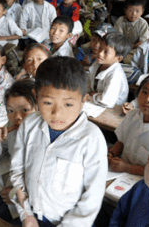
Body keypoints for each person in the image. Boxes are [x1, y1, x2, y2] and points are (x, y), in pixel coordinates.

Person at [10, 56, 108, 226]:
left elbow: (92, 197)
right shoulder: (29, 124)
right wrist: (25, 212)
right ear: (36, 96)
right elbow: (18, 170)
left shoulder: (92, 139)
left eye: (68, 105)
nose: (57, 113)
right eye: (47, 102)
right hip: (31, 216)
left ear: (83, 101)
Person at [0, 80, 37, 224]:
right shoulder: (10, 126)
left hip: (28, 195)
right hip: (6, 181)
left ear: (38, 109)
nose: (17, 117)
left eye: (25, 110)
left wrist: (15, 193)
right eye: (11, 111)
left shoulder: (43, 137)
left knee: (2, 217)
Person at [108, 72, 149, 176]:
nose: (148, 99)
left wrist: (128, 168)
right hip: (120, 173)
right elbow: (121, 141)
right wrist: (111, 153)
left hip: (143, 180)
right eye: (144, 92)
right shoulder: (131, 115)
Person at [88, 33, 132, 108]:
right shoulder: (97, 63)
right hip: (95, 102)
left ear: (118, 59)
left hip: (113, 110)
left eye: (106, 52)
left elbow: (106, 101)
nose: (100, 54)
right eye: (100, 48)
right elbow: (88, 82)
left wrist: (94, 95)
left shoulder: (115, 75)